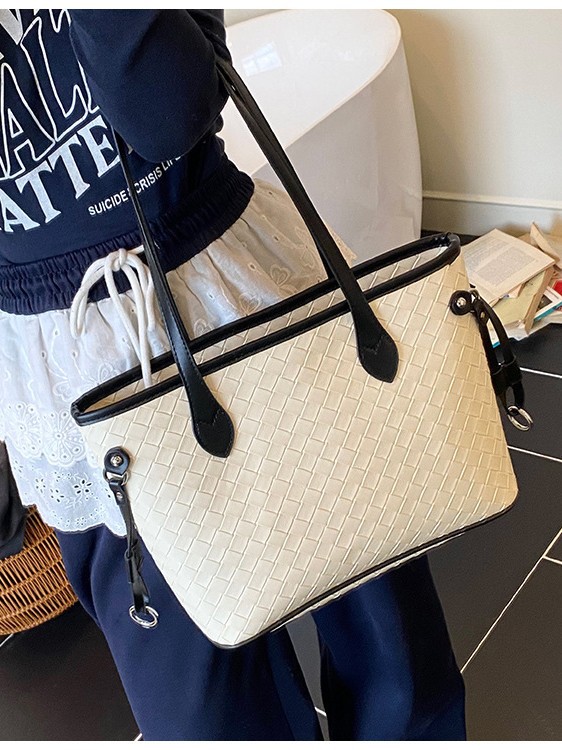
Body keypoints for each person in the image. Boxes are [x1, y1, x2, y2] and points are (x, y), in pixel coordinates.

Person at [0, 10, 466, 741]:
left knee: (392, 646)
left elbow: (171, 110)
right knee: (206, 712)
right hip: (68, 363)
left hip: (234, 278)